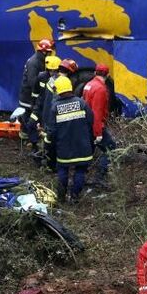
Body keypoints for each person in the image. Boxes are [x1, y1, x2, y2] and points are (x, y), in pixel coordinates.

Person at [44, 75, 94, 204]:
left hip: (64, 147)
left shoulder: (55, 107)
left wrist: (48, 144)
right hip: (82, 145)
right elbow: (90, 121)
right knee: (80, 171)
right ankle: (74, 196)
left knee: (62, 170)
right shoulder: (82, 103)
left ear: (58, 90)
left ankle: (61, 197)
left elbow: (52, 130)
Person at [82, 64, 115, 188]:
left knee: (88, 152)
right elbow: (97, 113)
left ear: (95, 73)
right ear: (107, 75)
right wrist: (98, 133)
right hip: (94, 126)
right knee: (111, 148)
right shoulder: (100, 89)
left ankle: (82, 177)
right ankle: (99, 177)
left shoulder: (88, 85)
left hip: (86, 124)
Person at [26, 55, 62, 165]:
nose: (52, 73)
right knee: (31, 124)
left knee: (49, 132)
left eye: (55, 70)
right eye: (50, 70)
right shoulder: (41, 77)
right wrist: (33, 106)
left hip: (51, 109)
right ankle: (35, 146)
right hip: (40, 106)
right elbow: (35, 93)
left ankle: (48, 153)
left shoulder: (61, 80)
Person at [16, 38, 54, 118]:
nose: (50, 54)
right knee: (29, 121)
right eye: (49, 52)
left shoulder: (41, 60)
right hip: (28, 101)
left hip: (33, 100)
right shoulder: (34, 63)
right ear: (44, 52)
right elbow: (33, 83)